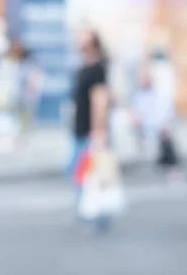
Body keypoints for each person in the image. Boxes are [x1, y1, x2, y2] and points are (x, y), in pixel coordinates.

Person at [69, 28, 112, 232]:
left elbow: (100, 100)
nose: (78, 38)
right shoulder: (83, 67)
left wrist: (98, 130)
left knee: (89, 174)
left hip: (90, 131)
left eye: (83, 34)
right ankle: (88, 211)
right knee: (80, 172)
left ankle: (97, 215)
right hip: (79, 129)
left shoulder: (97, 68)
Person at [131, 63, 181, 181]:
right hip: (145, 128)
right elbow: (134, 114)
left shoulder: (159, 94)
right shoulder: (138, 97)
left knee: (165, 137)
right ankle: (169, 165)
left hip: (160, 127)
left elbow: (167, 112)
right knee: (162, 138)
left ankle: (170, 164)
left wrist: (164, 125)